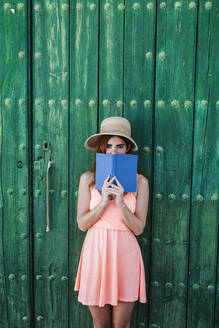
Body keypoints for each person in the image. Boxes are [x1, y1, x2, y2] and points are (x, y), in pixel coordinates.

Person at [74, 116, 149, 328]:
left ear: (127, 149)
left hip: (126, 254)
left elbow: (139, 228)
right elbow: (82, 223)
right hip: (95, 252)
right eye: (108, 146)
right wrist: (103, 202)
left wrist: (121, 202)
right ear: (101, 149)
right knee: (100, 325)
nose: (113, 152)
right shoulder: (87, 179)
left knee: (121, 326)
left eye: (119, 146)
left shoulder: (140, 182)